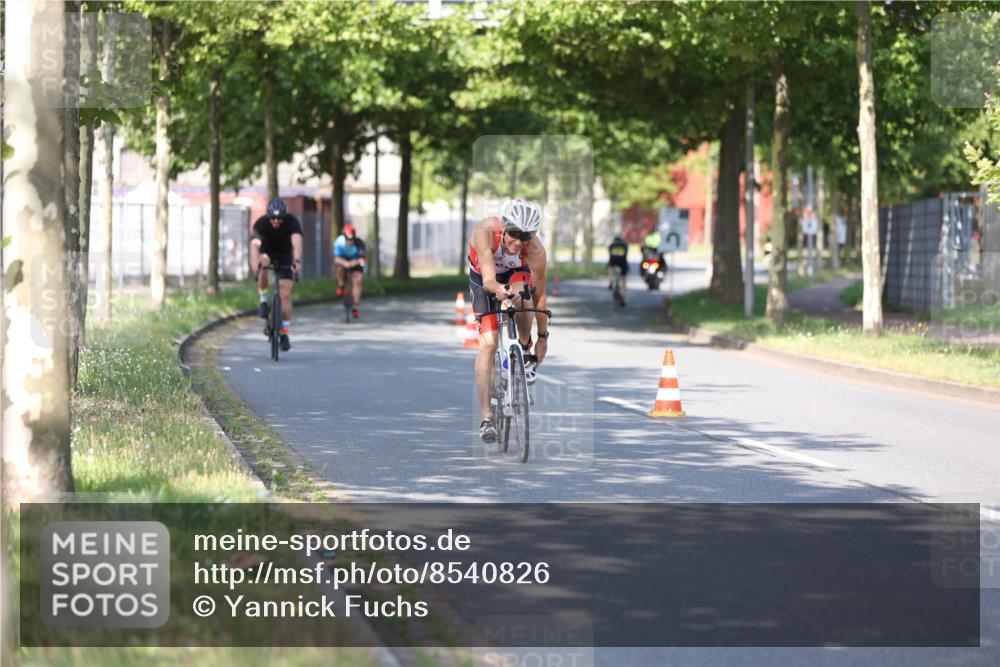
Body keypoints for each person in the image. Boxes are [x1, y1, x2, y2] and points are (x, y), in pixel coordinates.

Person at [468, 199, 550, 444]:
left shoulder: (535, 252)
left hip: (515, 275)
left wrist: (542, 338)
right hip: (485, 275)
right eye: (514, 234)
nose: (518, 242)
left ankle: (522, 352)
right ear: (504, 227)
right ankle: (486, 418)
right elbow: (489, 281)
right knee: (489, 344)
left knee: (524, 296)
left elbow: (540, 296)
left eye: (525, 237)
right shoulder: (485, 232)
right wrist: (499, 291)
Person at [249, 198, 303, 352]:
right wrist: (255, 262)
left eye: (279, 218)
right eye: (273, 218)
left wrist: (297, 260)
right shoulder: (261, 223)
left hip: (285, 256)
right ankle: (264, 299)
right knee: (263, 263)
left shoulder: (292, 222)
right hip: (267, 253)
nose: (276, 221)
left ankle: (285, 333)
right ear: (268, 216)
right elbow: (255, 244)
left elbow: (297, 241)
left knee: (285, 294)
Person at [333, 223, 367, 319]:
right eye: (348, 239)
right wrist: (345, 263)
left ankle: (356, 307)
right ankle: (341, 286)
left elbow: (362, 260)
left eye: (351, 239)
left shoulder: (359, 243)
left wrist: (355, 262)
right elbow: (336, 258)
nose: (350, 241)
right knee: (339, 268)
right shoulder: (339, 242)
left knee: (358, 280)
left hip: (355, 262)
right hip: (343, 261)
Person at [607, 234, 629, 305]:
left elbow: (609, 253)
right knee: (623, 279)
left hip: (613, 261)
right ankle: (622, 297)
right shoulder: (625, 245)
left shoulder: (611, 245)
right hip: (622, 263)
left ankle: (611, 280)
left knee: (610, 267)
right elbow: (626, 255)